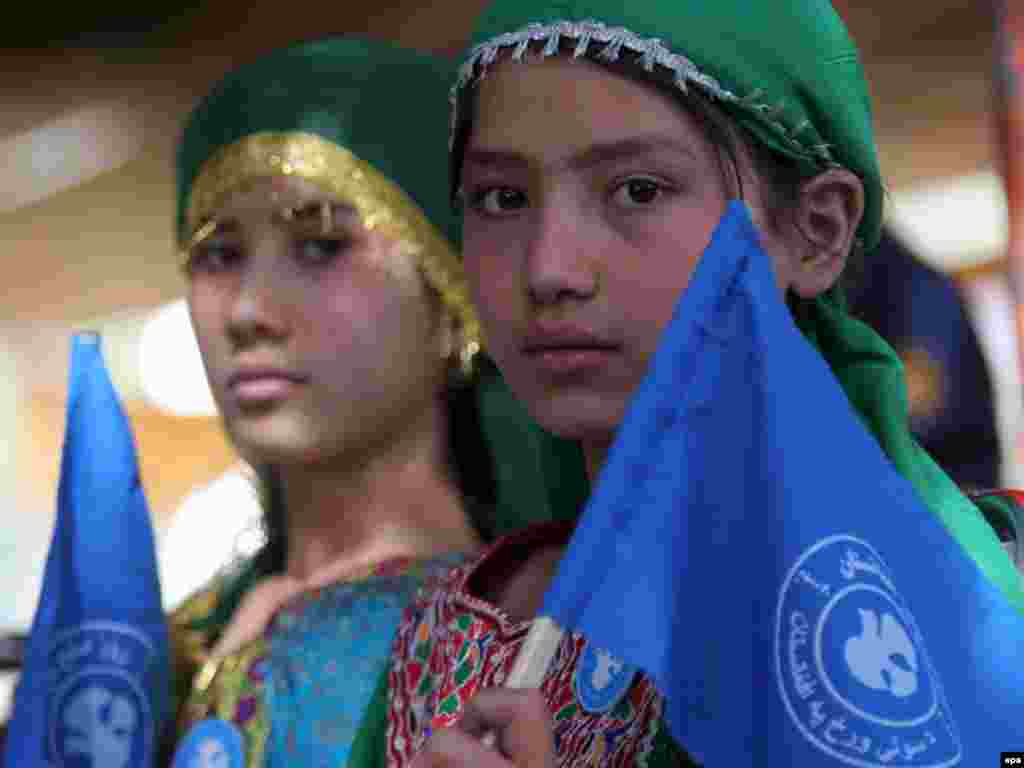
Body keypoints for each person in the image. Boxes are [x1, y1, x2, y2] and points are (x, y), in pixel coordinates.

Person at [385, 2, 1024, 766]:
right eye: (502, 199)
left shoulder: (981, 599)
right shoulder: (447, 635)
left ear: (816, 230)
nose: (549, 268)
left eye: (639, 191)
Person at [165, 37, 587, 768]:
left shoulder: (539, 635)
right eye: (218, 254)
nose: (248, 311)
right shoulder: (163, 646)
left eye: (322, 246)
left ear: (454, 302)